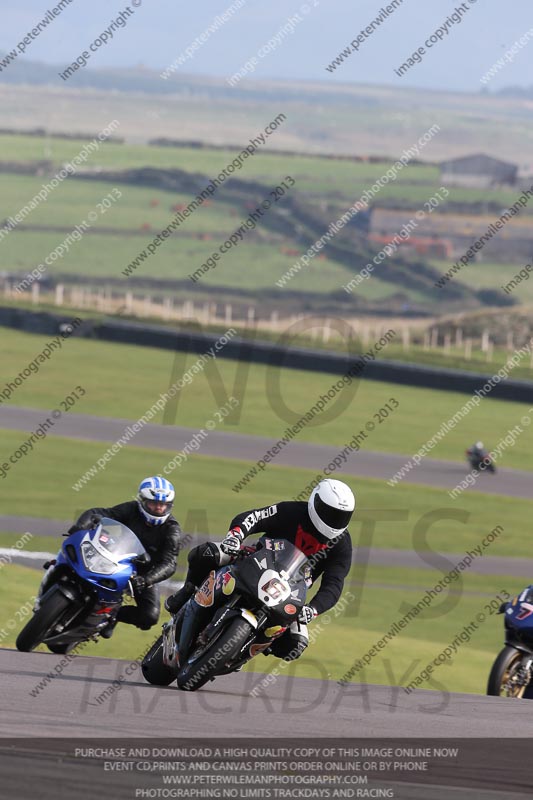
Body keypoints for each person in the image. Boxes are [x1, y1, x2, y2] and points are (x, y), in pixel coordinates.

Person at [165, 478, 355, 661]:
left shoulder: (342, 545)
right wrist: (235, 536)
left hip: (289, 593)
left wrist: (313, 609)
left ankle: (242, 651)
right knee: (207, 553)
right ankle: (187, 592)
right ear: (316, 502)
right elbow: (254, 517)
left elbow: (334, 584)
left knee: (296, 644)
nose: (334, 521)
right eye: (330, 513)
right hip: (255, 561)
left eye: (341, 517)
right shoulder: (293, 511)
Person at [69, 476, 181, 637]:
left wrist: (146, 580)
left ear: (170, 505)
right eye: (153, 503)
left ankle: (113, 615)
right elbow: (99, 513)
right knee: (77, 562)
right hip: (115, 556)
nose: (158, 508)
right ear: (142, 501)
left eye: (163, 505)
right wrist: (80, 527)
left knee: (149, 616)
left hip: (143, 572)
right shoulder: (131, 509)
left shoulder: (172, 529)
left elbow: (169, 563)